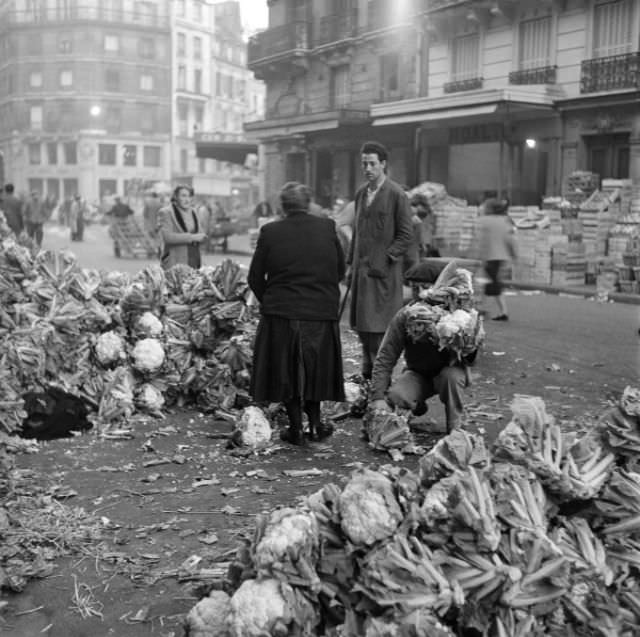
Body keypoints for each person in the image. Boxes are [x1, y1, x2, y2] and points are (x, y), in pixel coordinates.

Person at [248, 181, 346, 446]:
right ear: (309, 203)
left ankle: (295, 429)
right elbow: (340, 270)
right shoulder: (326, 227)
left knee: (286, 370)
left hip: (282, 311)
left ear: (282, 206)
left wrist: (270, 299)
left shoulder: (270, 231)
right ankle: (315, 425)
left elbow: (255, 277)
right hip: (320, 311)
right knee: (316, 370)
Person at [368, 262, 477, 433]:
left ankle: (455, 431)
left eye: (425, 287)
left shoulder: (459, 316)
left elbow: (471, 360)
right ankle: (417, 404)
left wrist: (461, 340)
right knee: (396, 396)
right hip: (418, 374)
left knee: (451, 378)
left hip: (449, 373)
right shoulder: (405, 315)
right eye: (414, 288)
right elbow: (386, 357)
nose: (419, 293)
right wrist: (378, 397)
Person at [347, 141, 414, 380]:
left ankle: (383, 384)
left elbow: (406, 235)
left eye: (372, 163)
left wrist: (386, 258)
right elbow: (357, 230)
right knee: (362, 329)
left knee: (380, 330)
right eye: (364, 163)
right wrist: (350, 263)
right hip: (361, 273)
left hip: (383, 274)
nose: (367, 168)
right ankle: (368, 378)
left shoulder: (396, 194)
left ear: (383, 164)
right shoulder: (361, 193)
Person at [476, 197, 517, 321]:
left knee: (492, 283)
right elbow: (510, 240)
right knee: (489, 282)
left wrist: (476, 254)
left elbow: (480, 240)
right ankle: (485, 308)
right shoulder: (505, 221)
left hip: (489, 256)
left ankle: (492, 310)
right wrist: (514, 254)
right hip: (501, 257)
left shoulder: (484, 221)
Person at [157, 184, 205, 270]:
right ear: (175, 197)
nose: (187, 199)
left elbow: (200, 233)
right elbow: (167, 237)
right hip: (175, 263)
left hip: (193, 261)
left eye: (189, 196)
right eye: (183, 196)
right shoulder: (166, 212)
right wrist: (192, 237)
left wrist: (203, 237)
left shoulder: (193, 212)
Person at [409, 193, 440, 259]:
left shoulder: (413, 212)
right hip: (425, 240)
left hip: (420, 241)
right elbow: (432, 228)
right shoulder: (428, 211)